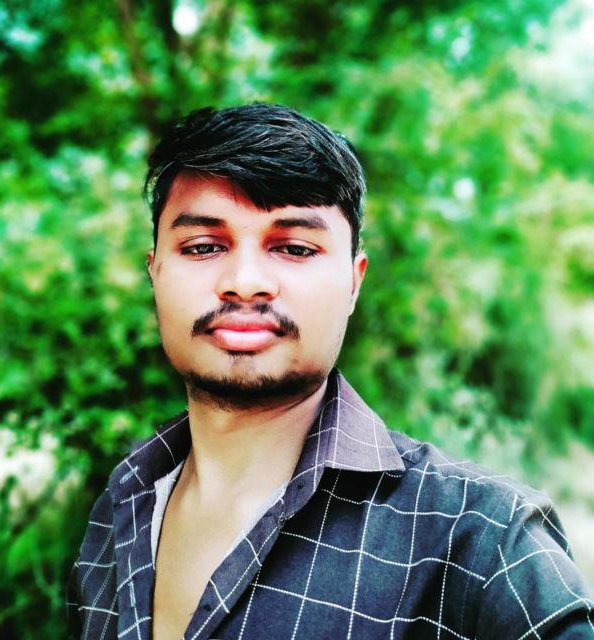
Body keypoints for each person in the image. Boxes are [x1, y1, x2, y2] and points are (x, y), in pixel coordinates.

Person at [67, 104, 593, 640]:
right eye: (203, 247)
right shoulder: (120, 506)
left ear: (354, 281)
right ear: (155, 270)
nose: (244, 281)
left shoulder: (485, 540)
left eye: (295, 248)